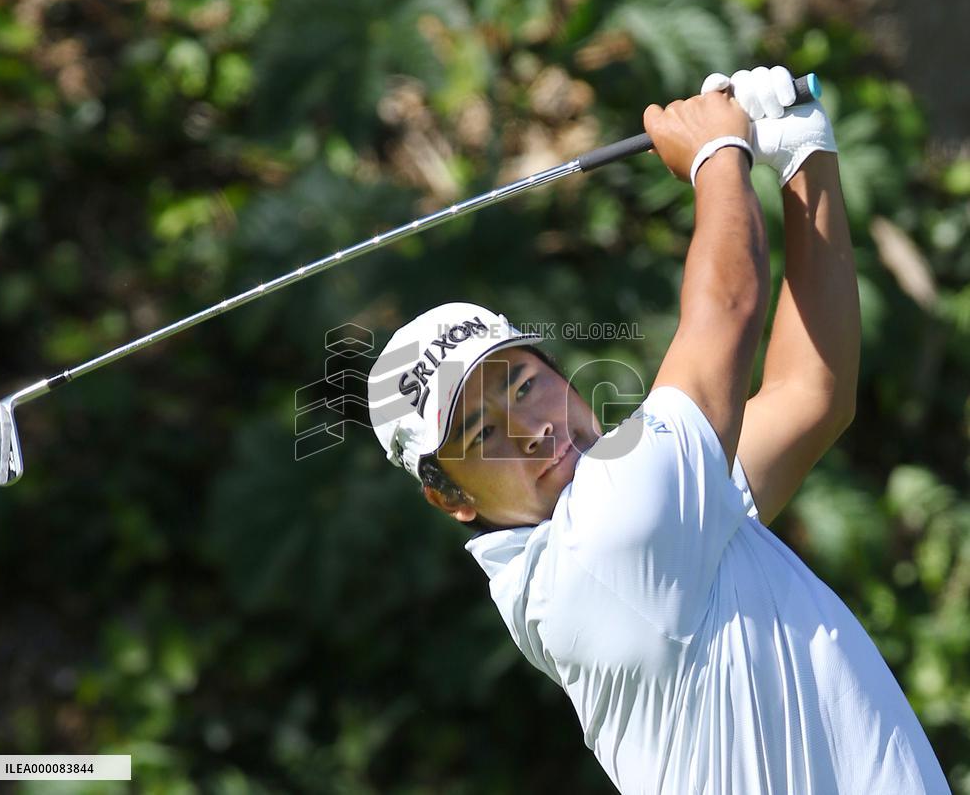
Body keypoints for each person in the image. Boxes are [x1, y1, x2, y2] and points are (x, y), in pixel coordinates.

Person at [365, 66, 950, 794]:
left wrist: (805, 157)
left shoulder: (655, 519)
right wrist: (715, 155)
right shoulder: (604, 542)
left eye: (523, 384)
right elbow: (728, 307)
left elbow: (810, 395)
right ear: (451, 497)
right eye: (483, 433)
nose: (533, 430)